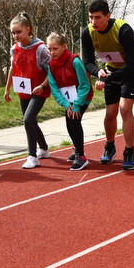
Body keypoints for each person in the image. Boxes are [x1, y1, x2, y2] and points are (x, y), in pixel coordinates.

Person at [81, 0, 134, 170]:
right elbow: (87, 61)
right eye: (90, 17)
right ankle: (110, 146)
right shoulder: (87, 33)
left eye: (98, 18)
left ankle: (129, 151)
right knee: (110, 113)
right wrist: (98, 72)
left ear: (108, 16)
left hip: (133, 68)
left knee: (125, 109)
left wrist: (106, 79)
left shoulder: (123, 30)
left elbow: (131, 64)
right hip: (111, 68)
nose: (93, 22)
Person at [3, 12, 51, 169]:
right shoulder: (14, 48)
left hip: (39, 90)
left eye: (19, 32)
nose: (15, 36)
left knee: (28, 120)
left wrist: (43, 86)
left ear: (28, 29)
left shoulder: (40, 48)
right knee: (30, 120)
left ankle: (32, 156)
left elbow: (51, 71)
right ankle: (44, 148)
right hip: (23, 89)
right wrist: (7, 89)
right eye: (13, 33)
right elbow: (13, 68)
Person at [46, 32, 94, 171]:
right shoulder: (51, 64)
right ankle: (77, 149)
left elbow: (84, 85)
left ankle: (81, 156)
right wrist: (66, 104)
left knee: (74, 120)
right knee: (69, 123)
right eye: (49, 49)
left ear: (64, 46)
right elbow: (54, 87)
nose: (52, 52)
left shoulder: (75, 61)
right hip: (68, 99)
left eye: (55, 48)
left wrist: (77, 104)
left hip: (82, 97)